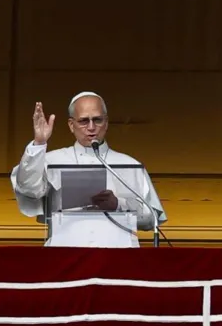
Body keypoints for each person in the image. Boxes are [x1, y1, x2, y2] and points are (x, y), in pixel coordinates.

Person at [10, 91, 167, 247]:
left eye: (97, 120)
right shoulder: (50, 161)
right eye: (84, 121)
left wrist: (118, 204)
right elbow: (28, 189)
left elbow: (151, 219)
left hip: (117, 261)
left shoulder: (130, 164)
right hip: (65, 257)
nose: (91, 127)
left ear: (106, 122)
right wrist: (39, 144)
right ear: (72, 125)